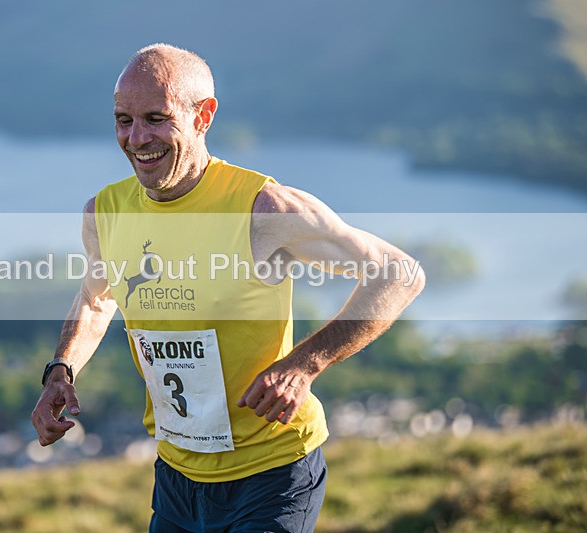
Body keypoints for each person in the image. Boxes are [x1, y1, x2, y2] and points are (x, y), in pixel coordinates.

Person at [31, 43, 425, 532]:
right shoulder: (105, 211)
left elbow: (398, 274)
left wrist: (305, 364)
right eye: (122, 120)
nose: (136, 138)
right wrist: (61, 369)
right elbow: (96, 297)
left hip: (272, 472)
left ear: (204, 116)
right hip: (177, 475)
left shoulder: (264, 210)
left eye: (156, 118)